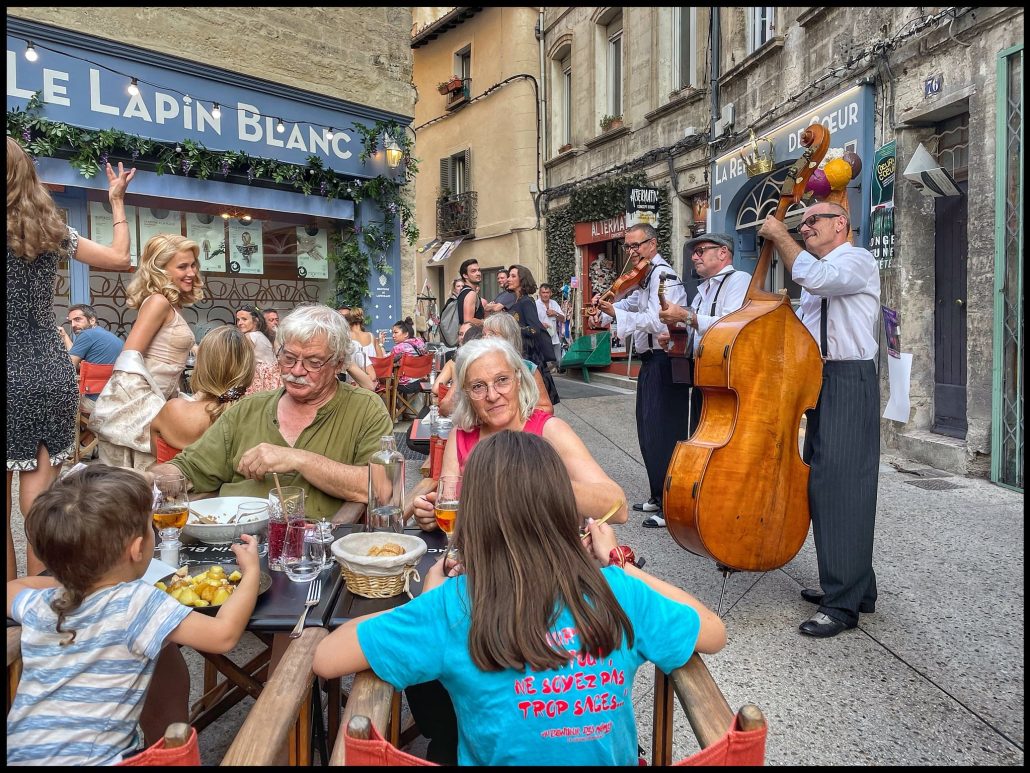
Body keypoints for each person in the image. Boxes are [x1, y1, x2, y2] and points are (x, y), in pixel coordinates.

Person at [313, 430, 726, 766]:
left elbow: (326, 658)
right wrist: (620, 564)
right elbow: (713, 631)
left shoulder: (454, 606)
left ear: (473, 515)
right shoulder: (618, 591)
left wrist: (431, 593)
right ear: (566, 510)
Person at [6, 465, 260, 764]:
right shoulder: (137, 603)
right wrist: (251, 573)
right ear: (138, 548)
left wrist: (81, 582)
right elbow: (223, 635)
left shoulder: (44, 602)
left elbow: (13, 587)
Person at [7, 137, 135, 579]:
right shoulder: (51, 231)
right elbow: (120, 258)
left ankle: (10, 613)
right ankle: (42, 603)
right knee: (41, 500)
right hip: (46, 366)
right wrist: (116, 202)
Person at [148, 304, 394, 522]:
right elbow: (189, 467)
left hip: (314, 547)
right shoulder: (248, 408)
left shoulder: (364, 408)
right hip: (235, 540)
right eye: (288, 358)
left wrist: (298, 459)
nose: (297, 370)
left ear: (339, 363)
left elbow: (381, 487)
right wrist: (152, 479)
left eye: (313, 362)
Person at [758, 202, 881, 638]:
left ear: (840, 224)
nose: (805, 227)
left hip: (847, 377)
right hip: (820, 379)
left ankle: (842, 605)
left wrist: (780, 235)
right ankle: (854, 586)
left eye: (814, 221)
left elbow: (820, 279)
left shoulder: (855, 259)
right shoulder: (818, 271)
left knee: (842, 486)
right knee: (825, 485)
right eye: (801, 222)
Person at [412, 337, 626, 528]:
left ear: (519, 380)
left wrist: (541, 484)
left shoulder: (549, 430)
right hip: (479, 560)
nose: (493, 395)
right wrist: (430, 516)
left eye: (502, 380)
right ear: (467, 395)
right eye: (478, 386)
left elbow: (618, 508)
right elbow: (449, 505)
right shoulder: (460, 436)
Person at [588, 223, 689, 528]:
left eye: (636, 246)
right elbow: (628, 304)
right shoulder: (643, 278)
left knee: (664, 434)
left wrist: (617, 313)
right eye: (627, 247)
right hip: (649, 360)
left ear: (653, 244)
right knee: (647, 432)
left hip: (665, 359)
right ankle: (657, 494)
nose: (631, 252)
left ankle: (671, 505)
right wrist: (604, 310)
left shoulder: (664, 275)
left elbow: (658, 319)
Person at [91, 234, 202, 471]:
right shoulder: (158, 302)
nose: (191, 272)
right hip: (143, 408)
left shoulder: (170, 304)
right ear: (160, 269)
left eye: (193, 265)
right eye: (182, 266)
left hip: (159, 404)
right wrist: (149, 416)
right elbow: (129, 358)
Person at [657, 233, 751, 452]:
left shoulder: (739, 279)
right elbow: (698, 333)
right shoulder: (702, 292)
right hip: (704, 378)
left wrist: (685, 316)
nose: (694, 257)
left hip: (727, 380)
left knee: (723, 443)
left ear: (722, 252)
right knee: (700, 439)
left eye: (700, 251)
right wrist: (675, 340)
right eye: (693, 253)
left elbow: (732, 325)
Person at [150, 324, 255, 463]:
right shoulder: (256, 417)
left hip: (175, 483)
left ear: (201, 366)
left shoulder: (172, 409)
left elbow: (156, 454)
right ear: (248, 368)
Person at [507, 264, 560, 406]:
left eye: (513, 276)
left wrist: (512, 329)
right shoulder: (516, 301)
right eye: (509, 275)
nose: (509, 279)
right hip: (519, 352)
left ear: (522, 280)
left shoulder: (526, 301)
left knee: (534, 399)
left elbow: (534, 329)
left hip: (528, 355)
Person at [482, 311, 554, 416]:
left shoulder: (527, 369)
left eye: (492, 334)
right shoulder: (477, 369)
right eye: (484, 334)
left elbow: (547, 408)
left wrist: (516, 415)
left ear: (508, 338)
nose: (485, 338)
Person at [432, 323, 483, 417]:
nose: (462, 337)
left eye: (465, 334)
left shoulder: (453, 362)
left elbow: (436, 390)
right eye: (460, 334)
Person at [59, 303, 124, 372]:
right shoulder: (109, 336)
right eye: (70, 322)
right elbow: (76, 360)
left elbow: (69, 366)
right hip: (114, 380)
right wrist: (64, 336)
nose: (73, 325)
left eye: (77, 319)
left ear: (92, 320)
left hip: (96, 382)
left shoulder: (87, 334)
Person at [236, 304, 282, 395]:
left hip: (259, 379)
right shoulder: (260, 335)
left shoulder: (249, 337)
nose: (240, 323)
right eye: (238, 320)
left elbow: (240, 363)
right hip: (272, 379)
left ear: (255, 321)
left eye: (244, 319)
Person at [536, 282, 567, 368]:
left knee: (559, 363)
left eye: (547, 293)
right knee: (544, 364)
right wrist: (540, 324)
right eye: (543, 292)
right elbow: (531, 321)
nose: (545, 295)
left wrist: (555, 313)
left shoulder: (554, 304)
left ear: (551, 293)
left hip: (554, 338)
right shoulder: (535, 304)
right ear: (540, 293)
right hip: (541, 338)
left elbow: (563, 319)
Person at [456, 258, 486, 328]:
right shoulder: (471, 294)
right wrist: (486, 322)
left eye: (479, 270)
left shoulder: (463, 292)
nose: (478, 273)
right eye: (473, 271)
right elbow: (468, 320)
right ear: (465, 275)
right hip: (472, 336)